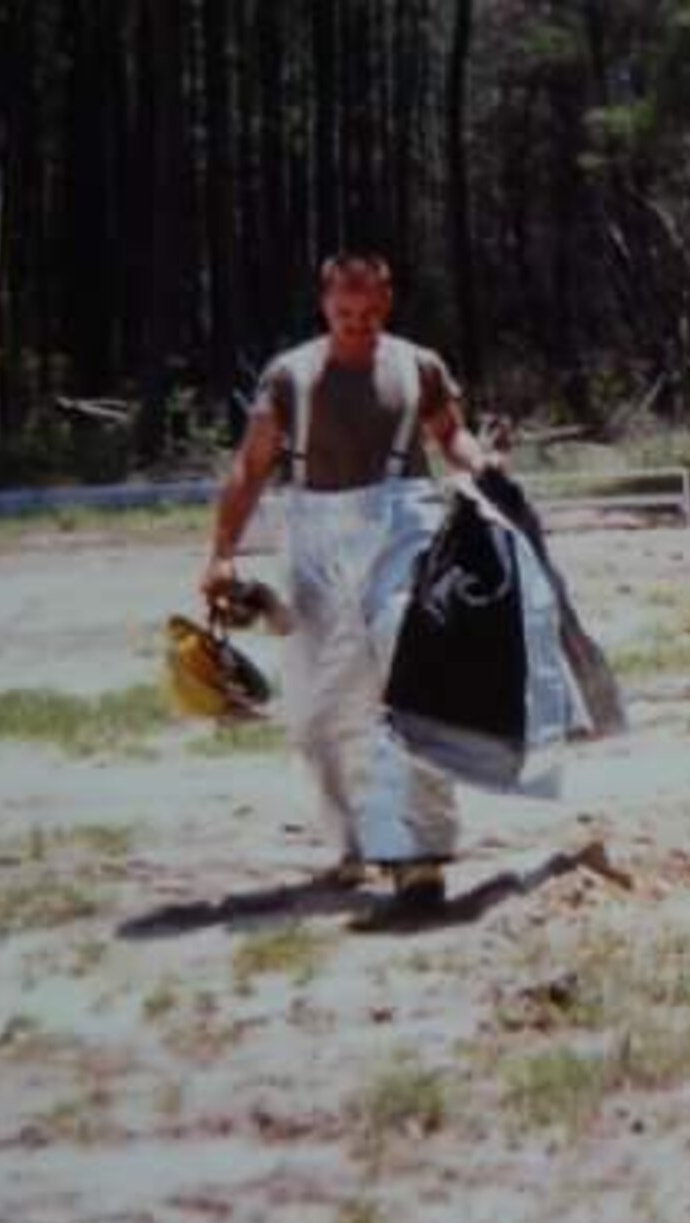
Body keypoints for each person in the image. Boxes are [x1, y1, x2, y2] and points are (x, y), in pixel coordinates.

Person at [200, 252, 496, 908]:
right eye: (344, 313)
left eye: (368, 314)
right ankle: (356, 839)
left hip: (403, 522)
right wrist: (222, 552)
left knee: (409, 658)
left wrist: (482, 467)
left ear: (386, 304)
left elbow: (451, 436)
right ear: (325, 305)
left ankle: (419, 852)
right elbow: (250, 469)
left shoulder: (418, 365)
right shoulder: (290, 376)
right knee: (317, 711)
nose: (357, 324)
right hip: (316, 537)